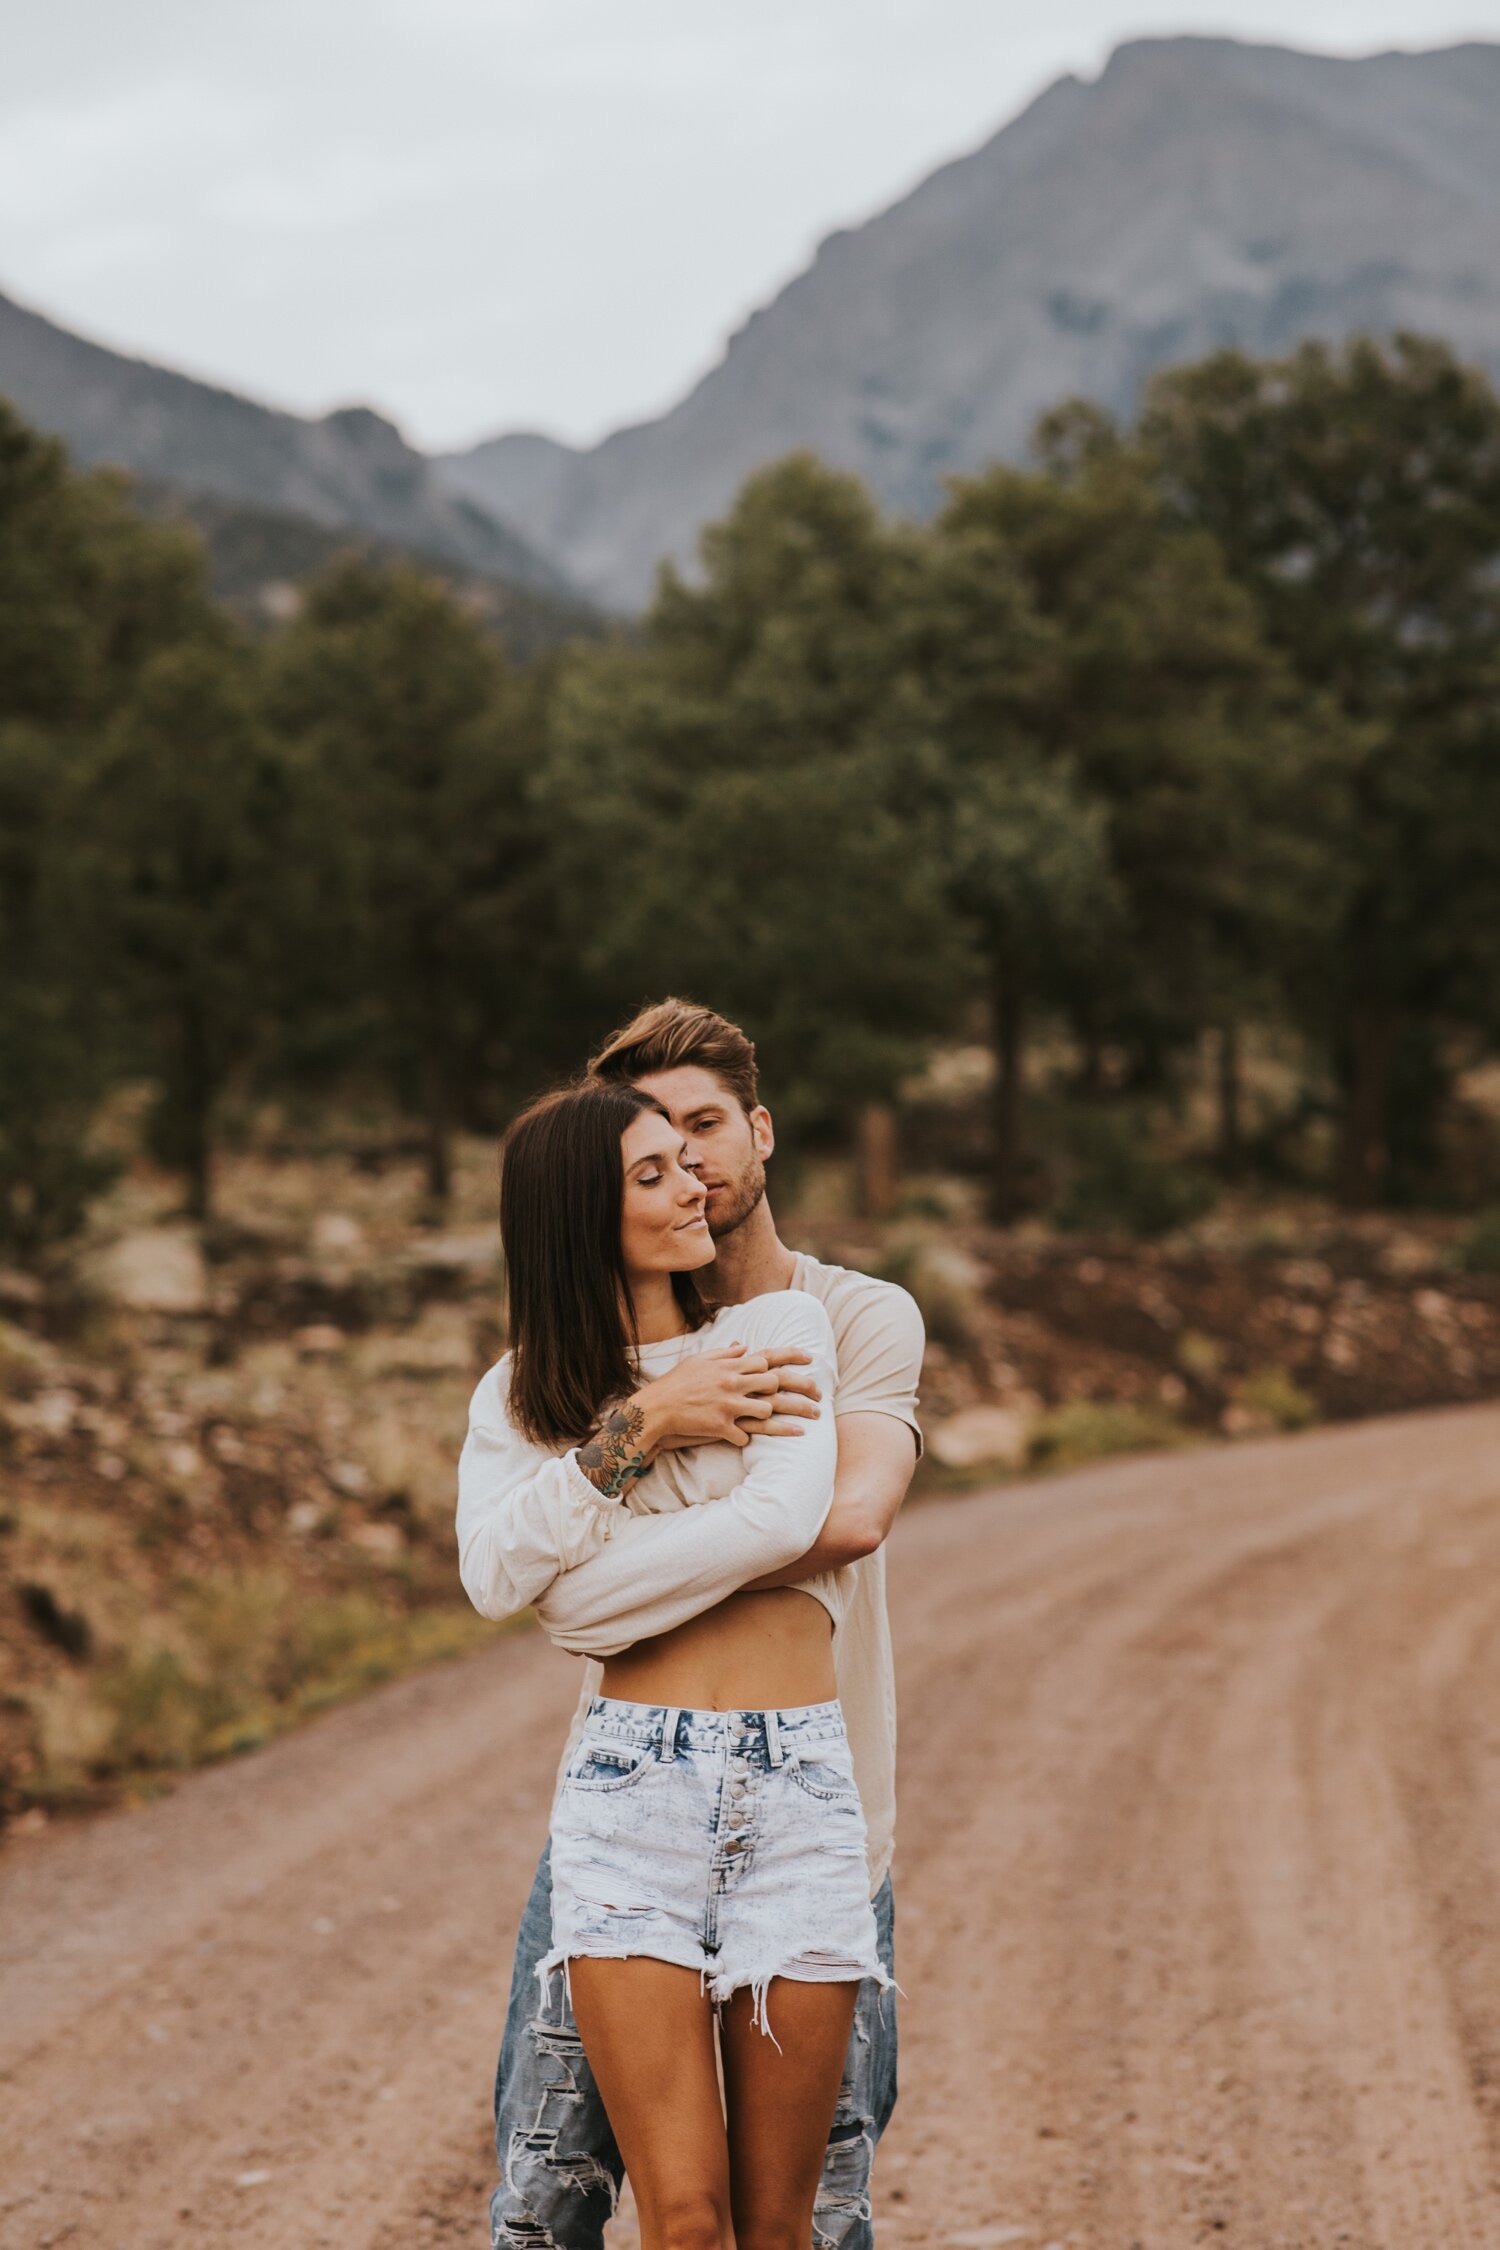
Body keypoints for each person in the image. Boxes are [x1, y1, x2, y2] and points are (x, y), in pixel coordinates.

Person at [462, 1001, 924, 2250]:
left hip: (816, 1786)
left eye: (703, 1134)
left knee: (807, 2217)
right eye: (654, 1154)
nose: (692, 1173)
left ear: (759, 1131)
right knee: (570, 2191)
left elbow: (821, 1523)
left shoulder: (816, 1325)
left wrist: (588, 1590)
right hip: (629, 1787)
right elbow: (499, 1575)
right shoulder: (539, 1386)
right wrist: (646, 1430)